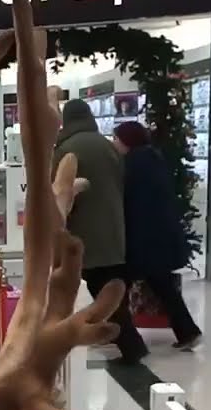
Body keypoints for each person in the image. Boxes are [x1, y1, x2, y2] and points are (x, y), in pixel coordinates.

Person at [54, 99, 148, 364]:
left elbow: (59, 190)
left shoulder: (67, 148)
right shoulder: (108, 146)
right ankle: (120, 339)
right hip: (115, 227)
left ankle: (132, 345)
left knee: (100, 290)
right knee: (111, 287)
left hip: (85, 229)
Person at [112, 121, 203, 351]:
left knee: (120, 285)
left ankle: (119, 335)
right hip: (158, 235)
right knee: (162, 286)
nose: (114, 144)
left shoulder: (134, 163)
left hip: (145, 238)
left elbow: (133, 203)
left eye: (116, 139)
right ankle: (187, 331)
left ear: (127, 140)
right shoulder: (152, 159)